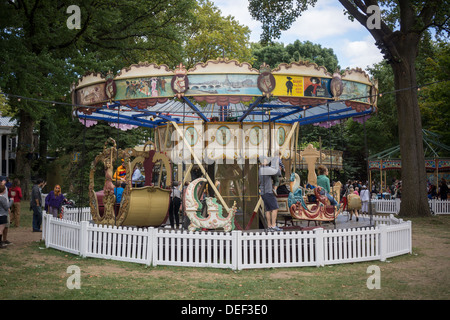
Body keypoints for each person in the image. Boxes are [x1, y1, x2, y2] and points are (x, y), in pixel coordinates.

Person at [259, 156, 282, 232]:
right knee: (275, 208)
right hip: (268, 191)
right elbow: (278, 172)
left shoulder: (260, 169)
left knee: (268, 209)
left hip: (263, 192)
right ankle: (273, 225)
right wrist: (276, 164)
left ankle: (269, 226)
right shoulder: (266, 169)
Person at [0, 184, 14, 249]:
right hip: (2, 215)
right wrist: (11, 200)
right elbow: (6, 207)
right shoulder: (2, 198)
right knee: (1, 230)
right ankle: (0, 243)